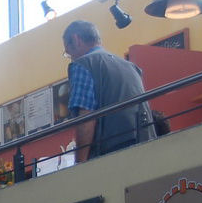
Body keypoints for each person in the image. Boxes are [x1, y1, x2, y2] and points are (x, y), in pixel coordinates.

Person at [63, 20, 155, 162]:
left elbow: (86, 118)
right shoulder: (131, 67)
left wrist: (80, 165)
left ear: (76, 40)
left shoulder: (83, 64)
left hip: (112, 153)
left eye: (69, 54)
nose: (71, 59)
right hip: (147, 145)